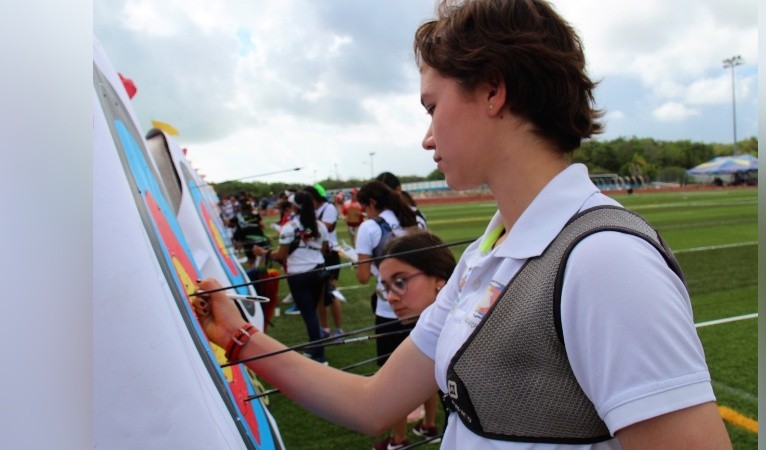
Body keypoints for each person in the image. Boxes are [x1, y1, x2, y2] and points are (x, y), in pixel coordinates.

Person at [194, 1, 732, 448]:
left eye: (432, 106)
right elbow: (373, 403)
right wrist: (238, 337)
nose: (427, 137)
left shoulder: (603, 260)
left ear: (493, 91)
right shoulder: (486, 254)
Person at [371, 231, 455, 449]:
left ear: (438, 279)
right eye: (386, 287)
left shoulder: (466, 332)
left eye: (400, 282)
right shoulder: (435, 330)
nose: (390, 296)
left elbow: (371, 408)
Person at [354, 181, 426, 366]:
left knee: (393, 373)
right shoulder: (417, 218)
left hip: (390, 308)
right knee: (424, 375)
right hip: (422, 304)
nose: (364, 212)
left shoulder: (369, 227)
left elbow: (362, 277)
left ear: (372, 202)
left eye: (364, 207)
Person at [259, 191, 330, 364]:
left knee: (309, 314)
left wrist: (264, 253)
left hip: (299, 274)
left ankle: (319, 355)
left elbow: (281, 255)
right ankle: (314, 346)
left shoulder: (289, 227)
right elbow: (325, 249)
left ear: (293, 207)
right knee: (312, 311)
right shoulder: (320, 225)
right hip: (319, 270)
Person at [302, 185, 346, 338]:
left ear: (313, 198)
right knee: (319, 296)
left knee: (331, 293)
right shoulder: (311, 211)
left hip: (330, 253)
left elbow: (322, 229)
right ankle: (325, 328)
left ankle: (339, 329)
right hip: (317, 257)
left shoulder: (329, 208)